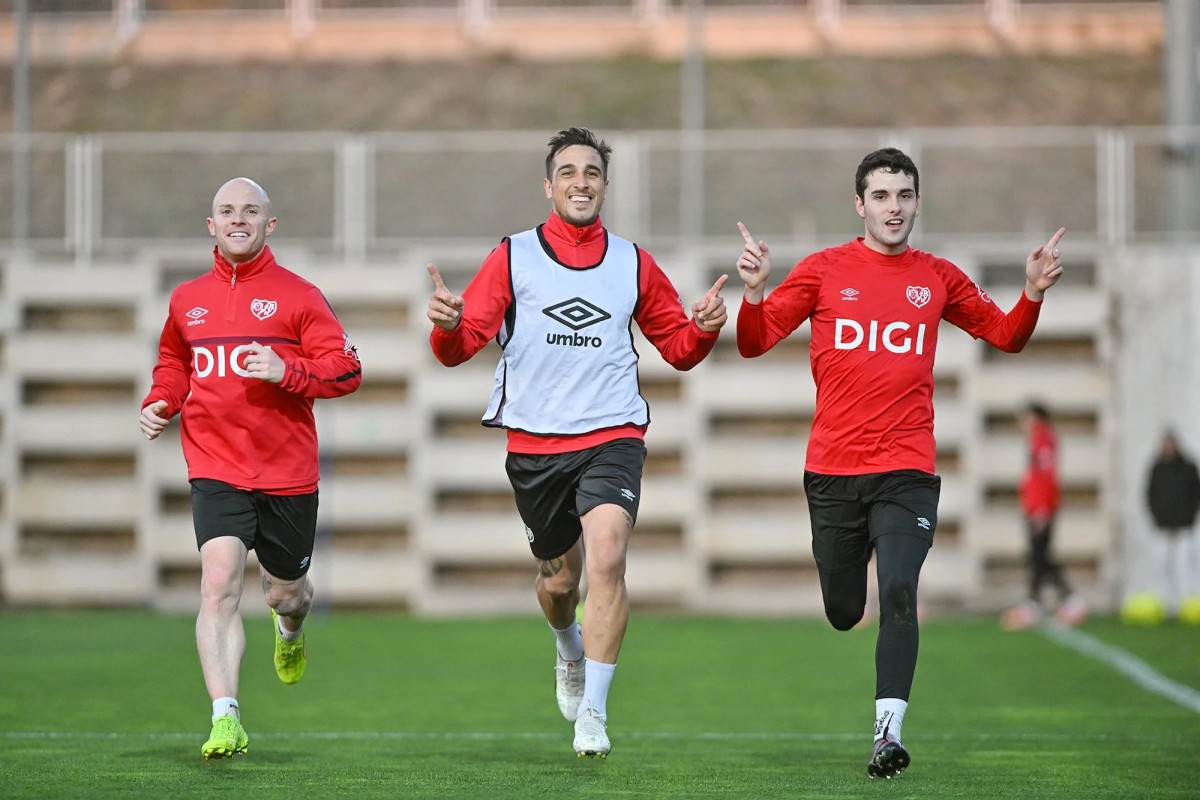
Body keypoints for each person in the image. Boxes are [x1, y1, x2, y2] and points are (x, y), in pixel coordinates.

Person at [733, 147, 1064, 779]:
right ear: (859, 204)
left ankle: (887, 735)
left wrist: (1030, 293)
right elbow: (753, 343)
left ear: (917, 203)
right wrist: (754, 291)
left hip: (907, 469)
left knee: (900, 590)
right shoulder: (824, 270)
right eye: (881, 196)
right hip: (833, 471)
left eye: (904, 195)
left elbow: (1005, 335)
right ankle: (849, 602)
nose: (894, 208)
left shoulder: (937, 277)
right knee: (844, 612)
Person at [426, 127, 728, 759]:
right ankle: (568, 648)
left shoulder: (633, 262)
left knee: (608, 557)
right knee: (560, 583)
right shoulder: (513, 255)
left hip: (612, 434)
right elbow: (461, 347)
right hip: (535, 446)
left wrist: (702, 328)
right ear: (549, 186)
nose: (580, 182)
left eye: (591, 172)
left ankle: (594, 711)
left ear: (605, 187)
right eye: (568, 172)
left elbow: (678, 348)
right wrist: (448, 328)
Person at [138, 177, 362, 760]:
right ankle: (225, 717)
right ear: (211, 225)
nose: (238, 219)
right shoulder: (186, 299)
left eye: (250, 211)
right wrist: (162, 399)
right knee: (218, 584)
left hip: (287, 473)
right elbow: (174, 361)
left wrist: (287, 370)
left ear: (269, 224)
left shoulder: (300, 296)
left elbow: (346, 369)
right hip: (215, 466)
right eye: (227, 211)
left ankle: (290, 631)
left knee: (286, 594)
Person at [1002, 401, 1087, 630]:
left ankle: (1048, 602)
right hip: (1035, 507)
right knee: (1039, 557)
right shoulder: (1039, 439)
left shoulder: (1043, 439)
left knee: (1039, 557)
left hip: (1040, 509)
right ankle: (1045, 602)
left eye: (1026, 417)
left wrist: (1041, 507)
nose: (1023, 423)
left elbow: (1045, 476)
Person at [1145, 429, 1200, 616]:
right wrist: (1157, 516)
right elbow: (1150, 495)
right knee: (1162, 565)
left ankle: (1189, 603)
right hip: (1162, 526)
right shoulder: (1157, 468)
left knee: (1186, 564)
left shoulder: (1188, 467)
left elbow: (1195, 494)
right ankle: (1167, 604)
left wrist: (1189, 516)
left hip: (1184, 525)